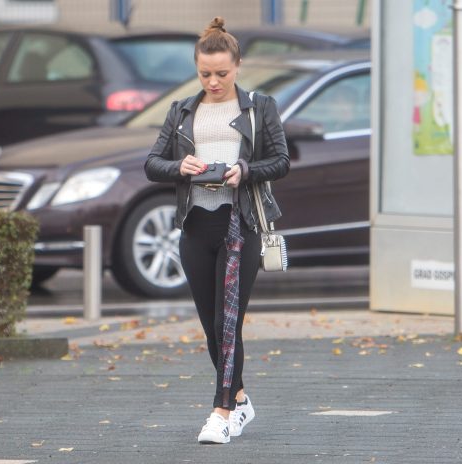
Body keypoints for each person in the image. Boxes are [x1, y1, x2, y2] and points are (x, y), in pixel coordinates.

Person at [144, 17, 289, 444]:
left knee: (229, 323)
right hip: (195, 227)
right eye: (205, 73)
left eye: (222, 73)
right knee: (213, 326)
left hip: (238, 224)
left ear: (238, 66)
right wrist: (181, 166)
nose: (213, 82)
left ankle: (221, 412)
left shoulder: (259, 107)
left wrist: (244, 169)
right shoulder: (181, 110)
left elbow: (281, 161)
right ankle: (240, 399)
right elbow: (152, 163)